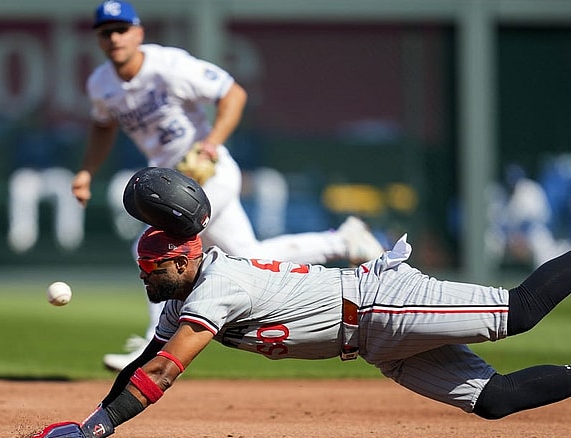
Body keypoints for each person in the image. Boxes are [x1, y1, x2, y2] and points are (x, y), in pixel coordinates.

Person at [27, 183, 571, 438]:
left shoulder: (212, 290)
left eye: (153, 265)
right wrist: (88, 422)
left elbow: (166, 371)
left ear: (181, 258)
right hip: (373, 341)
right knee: (493, 401)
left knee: (521, 311)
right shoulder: (188, 292)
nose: (146, 275)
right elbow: (148, 359)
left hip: (379, 302)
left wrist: (95, 435)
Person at [76, 1, 385, 371]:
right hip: (173, 178)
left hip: (208, 174)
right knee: (250, 260)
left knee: (151, 246)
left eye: (121, 29)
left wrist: (211, 144)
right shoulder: (101, 84)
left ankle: (152, 342)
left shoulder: (169, 67)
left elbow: (233, 93)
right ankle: (343, 241)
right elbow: (103, 125)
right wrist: (87, 172)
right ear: (98, 39)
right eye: (106, 32)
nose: (114, 38)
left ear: (138, 33)